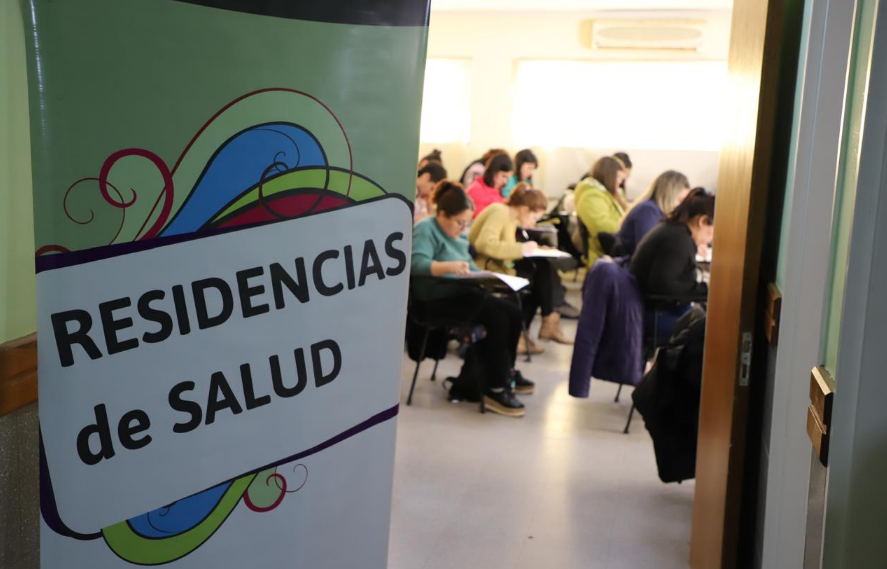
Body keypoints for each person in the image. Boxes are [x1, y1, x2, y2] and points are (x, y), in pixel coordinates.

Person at [411, 180, 533, 417]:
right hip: (434, 301)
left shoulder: (459, 235)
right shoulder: (426, 229)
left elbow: (469, 264)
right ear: (442, 214)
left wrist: (487, 276)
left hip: (462, 295)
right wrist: (448, 266)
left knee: (514, 312)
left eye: (467, 223)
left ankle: (502, 374)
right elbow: (415, 264)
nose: (463, 228)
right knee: (497, 318)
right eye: (459, 222)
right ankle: (494, 387)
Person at [469, 183, 573, 353]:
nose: (534, 223)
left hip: (498, 266)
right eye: (534, 217)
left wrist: (534, 249)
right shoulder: (499, 211)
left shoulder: (509, 217)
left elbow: (504, 246)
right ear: (525, 209)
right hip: (486, 269)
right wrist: (522, 249)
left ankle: (529, 330)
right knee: (537, 278)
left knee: (541, 271)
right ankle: (543, 323)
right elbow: (484, 244)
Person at [631, 188, 714, 339]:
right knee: (709, 333)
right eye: (713, 231)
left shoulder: (673, 231)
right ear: (702, 221)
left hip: (650, 309)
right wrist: (707, 290)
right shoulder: (679, 240)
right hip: (656, 315)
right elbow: (664, 285)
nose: (710, 240)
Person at [617, 170, 691, 257]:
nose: (683, 205)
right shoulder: (647, 211)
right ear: (670, 195)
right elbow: (648, 252)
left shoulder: (655, 211)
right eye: (681, 200)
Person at [574, 156, 626, 266]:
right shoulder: (591, 196)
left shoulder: (605, 195)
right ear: (609, 176)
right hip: (601, 254)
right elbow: (603, 227)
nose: (620, 182)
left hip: (610, 250)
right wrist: (628, 227)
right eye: (618, 177)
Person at [467, 153, 513, 218]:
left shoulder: (496, 190)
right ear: (494, 171)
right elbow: (480, 218)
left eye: (507, 178)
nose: (505, 181)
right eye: (503, 176)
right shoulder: (476, 189)